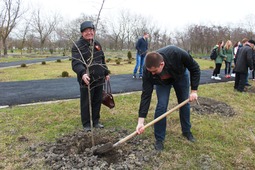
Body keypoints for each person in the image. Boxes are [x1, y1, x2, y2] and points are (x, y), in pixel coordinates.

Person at [135, 45, 200, 151]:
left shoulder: (177, 53)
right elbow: (146, 95)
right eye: (150, 71)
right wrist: (140, 121)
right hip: (162, 83)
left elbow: (195, 68)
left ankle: (187, 132)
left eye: (154, 71)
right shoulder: (148, 71)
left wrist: (194, 91)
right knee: (161, 106)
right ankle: (159, 139)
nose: (152, 74)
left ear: (162, 64)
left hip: (180, 77)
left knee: (184, 103)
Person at [71, 21, 110, 132]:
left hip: (99, 78)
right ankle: (87, 123)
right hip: (87, 80)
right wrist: (83, 73)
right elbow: (75, 63)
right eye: (86, 31)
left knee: (97, 100)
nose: (89, 33)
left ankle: (96, 121)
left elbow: (101, 59)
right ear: (82, 33)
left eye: (91, 30)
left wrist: (106, 72)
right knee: (86, 102)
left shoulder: (97, 44)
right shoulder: (77, 46)